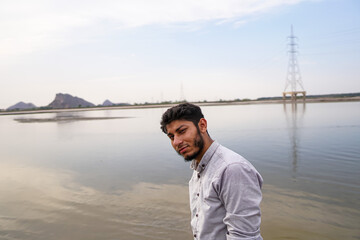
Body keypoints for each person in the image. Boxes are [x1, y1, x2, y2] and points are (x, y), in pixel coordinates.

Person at [160, 103, 263, 240]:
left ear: (202, 125)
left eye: (182, 131)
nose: (177, 142)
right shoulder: (199, 168)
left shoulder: (232, 169)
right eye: (171, 137)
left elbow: (244, 236)